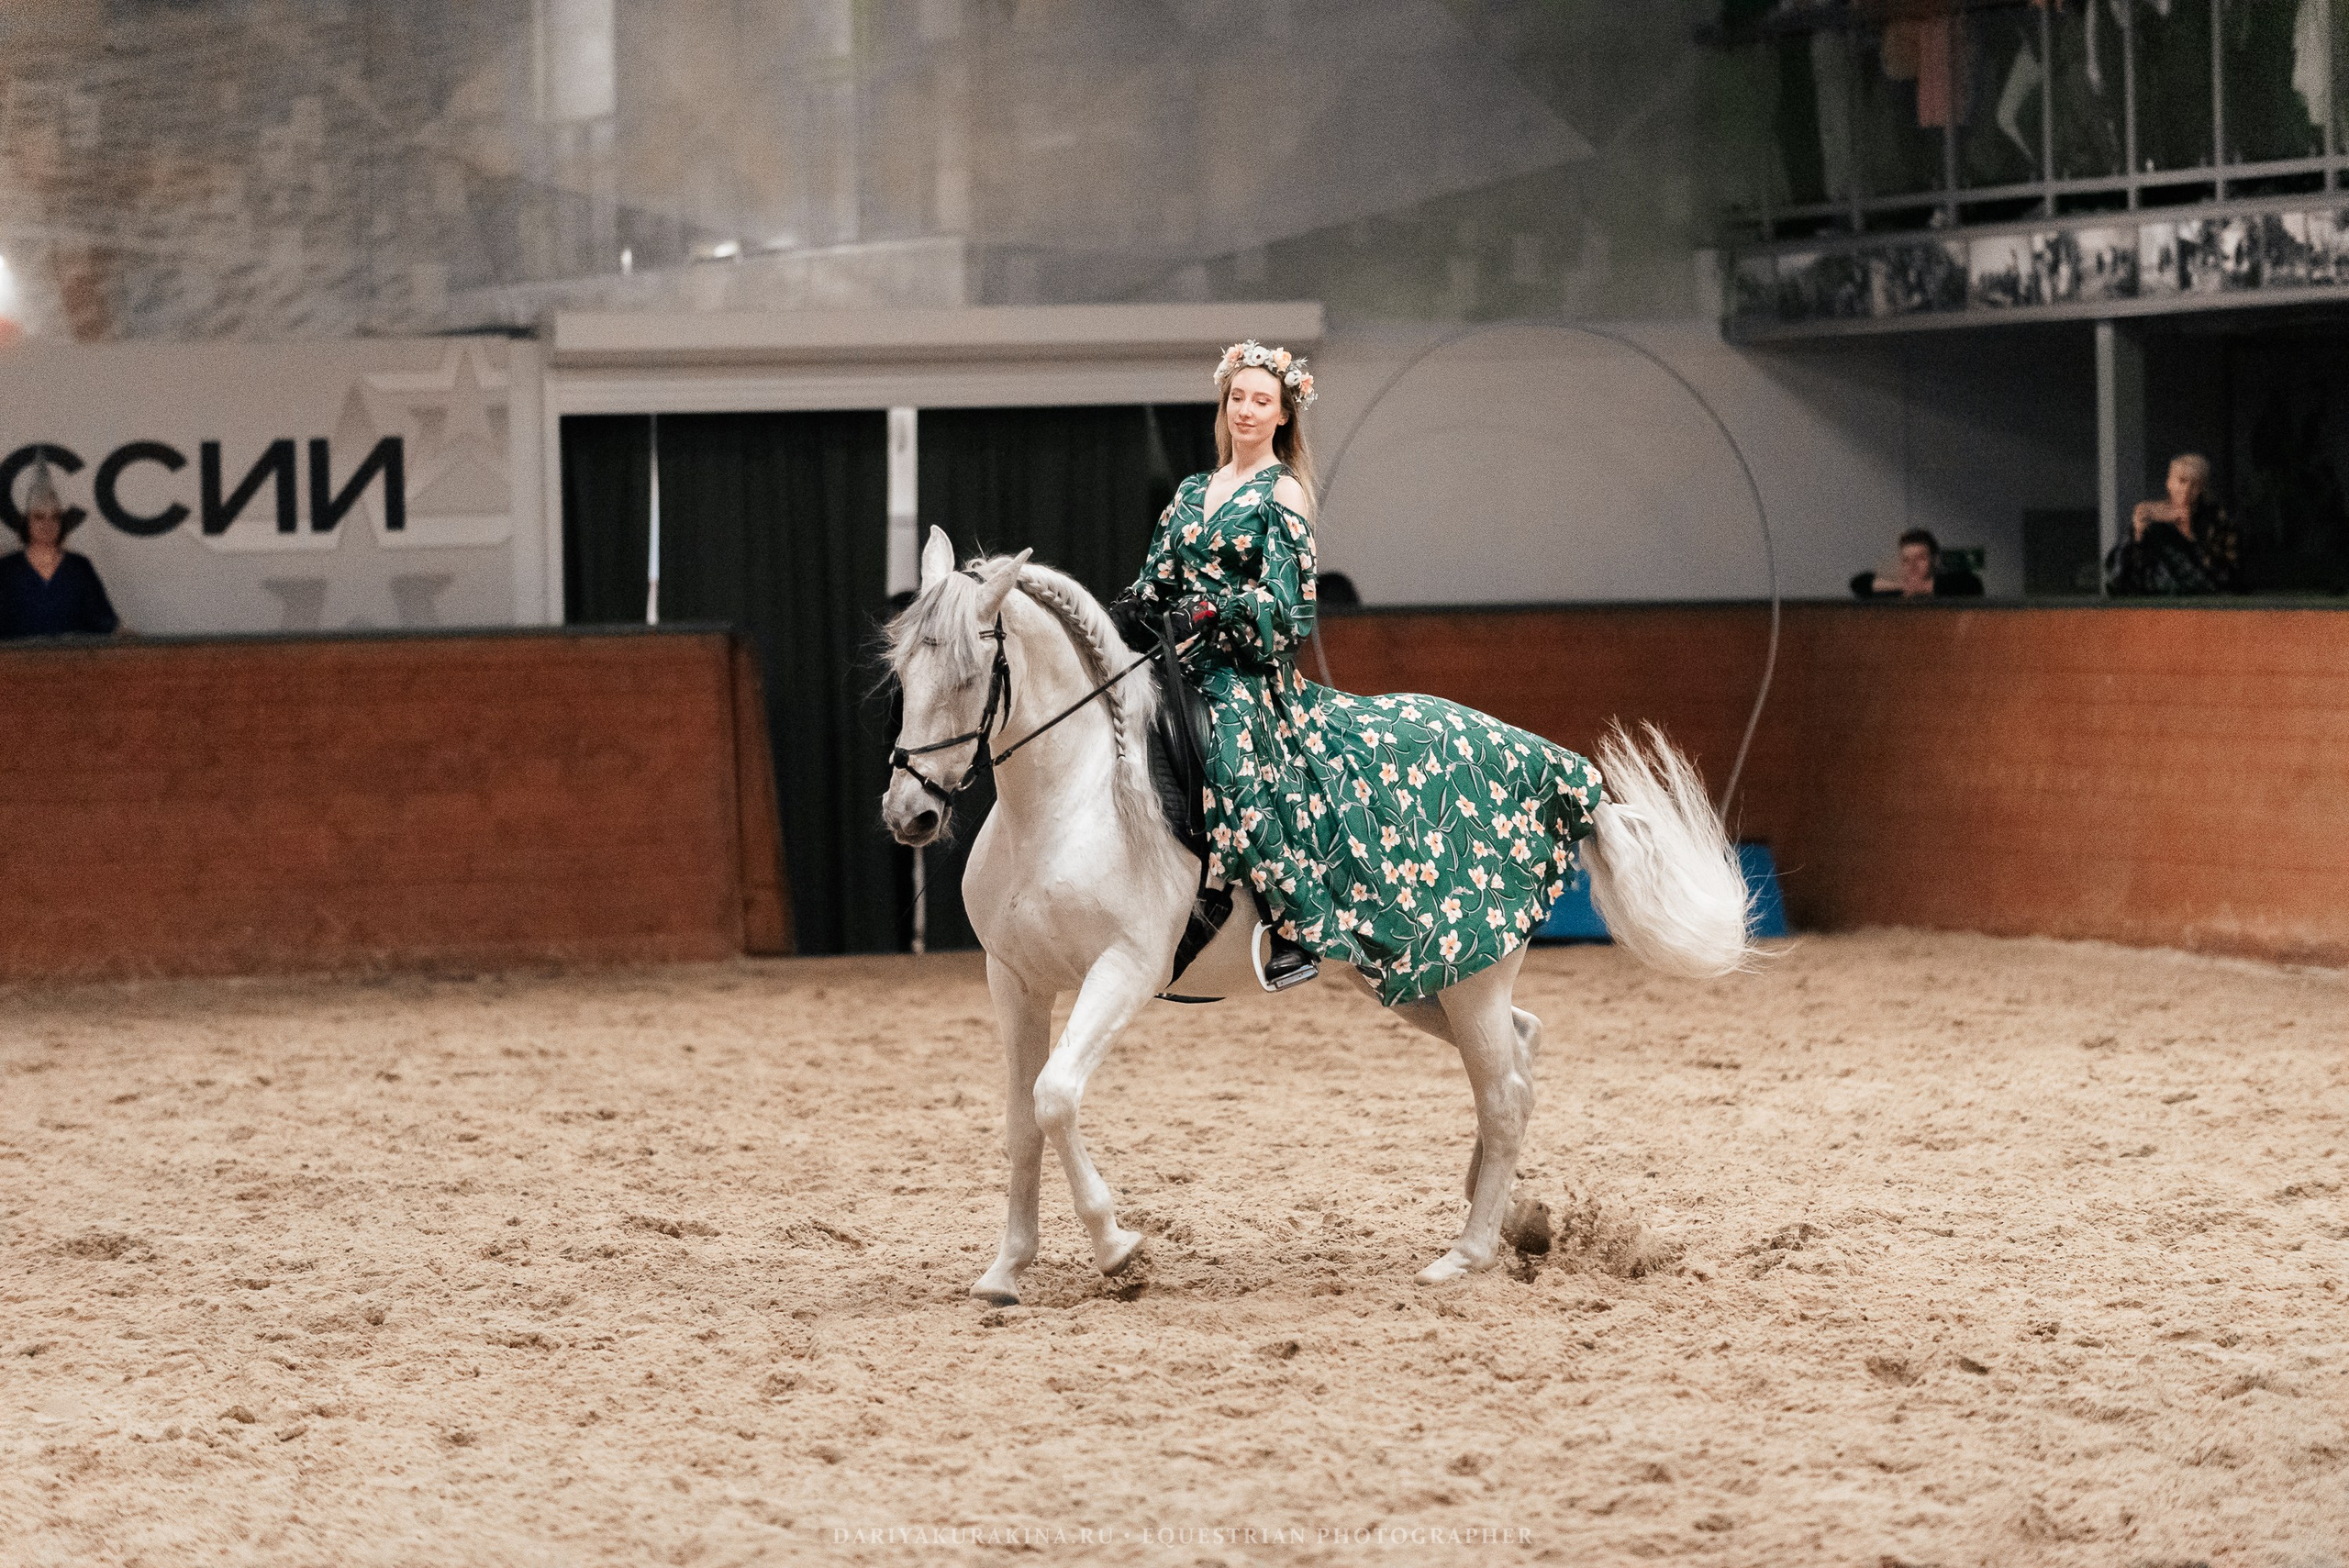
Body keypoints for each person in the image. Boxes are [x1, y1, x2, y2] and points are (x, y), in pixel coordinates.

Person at [1108, 340, 1601, 1000]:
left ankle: (1287, 928)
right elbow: (1158, 575)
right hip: (1170, 667)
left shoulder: (1282, 494)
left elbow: (1288, 607)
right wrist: (1140, 601)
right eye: (1238, 398)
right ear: (1224, 407)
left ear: (1283, 416)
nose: (1247, 410)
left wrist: (1216, 610)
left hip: (1243, 679)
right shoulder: (1192, 491)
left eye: (1262, 401)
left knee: (1229, 758)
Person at [1, 457, 120, 639]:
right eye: (39, 517)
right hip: (17, 664)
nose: (47, 524)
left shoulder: (79, 567)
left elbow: (104, 622)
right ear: (27, 523)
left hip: (73, 664)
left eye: (55, 517)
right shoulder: (7, 569)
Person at [2106, 452, 2241, 595]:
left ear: (2202, 489)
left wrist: (2188, 535)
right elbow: (2118, 580)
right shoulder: (2154, 521)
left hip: (2206, 600)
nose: (2187, 490)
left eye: (2195, 485)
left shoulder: (2217, 520)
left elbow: (2227, 575)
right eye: (2182, 481)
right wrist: (2138, 534)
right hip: (2160, 602)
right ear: (2169, 483)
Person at [1850, 527, 1984, 598]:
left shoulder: (1949, 585)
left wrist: (1923, 587)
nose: (1912, 566)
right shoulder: (1895, 590)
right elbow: (1859, 583)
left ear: (1934, 560)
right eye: (1906, 560)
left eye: (1921, 558)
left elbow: (1973, 584)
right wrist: (1903, 586)